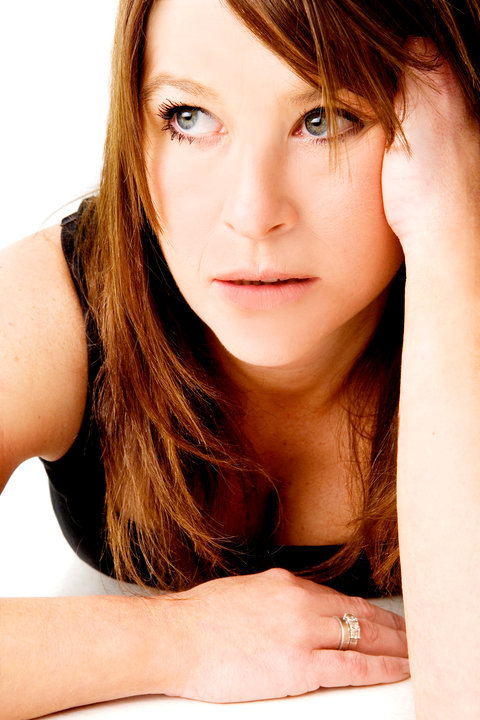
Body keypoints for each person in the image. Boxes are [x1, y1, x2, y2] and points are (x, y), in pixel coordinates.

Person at [1, 0, 479, 717]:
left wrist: (447, 232)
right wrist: (173, 640)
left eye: (325, 119)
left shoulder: (461, 265)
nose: (252, 214)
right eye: (188, 117)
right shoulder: (58, 304)